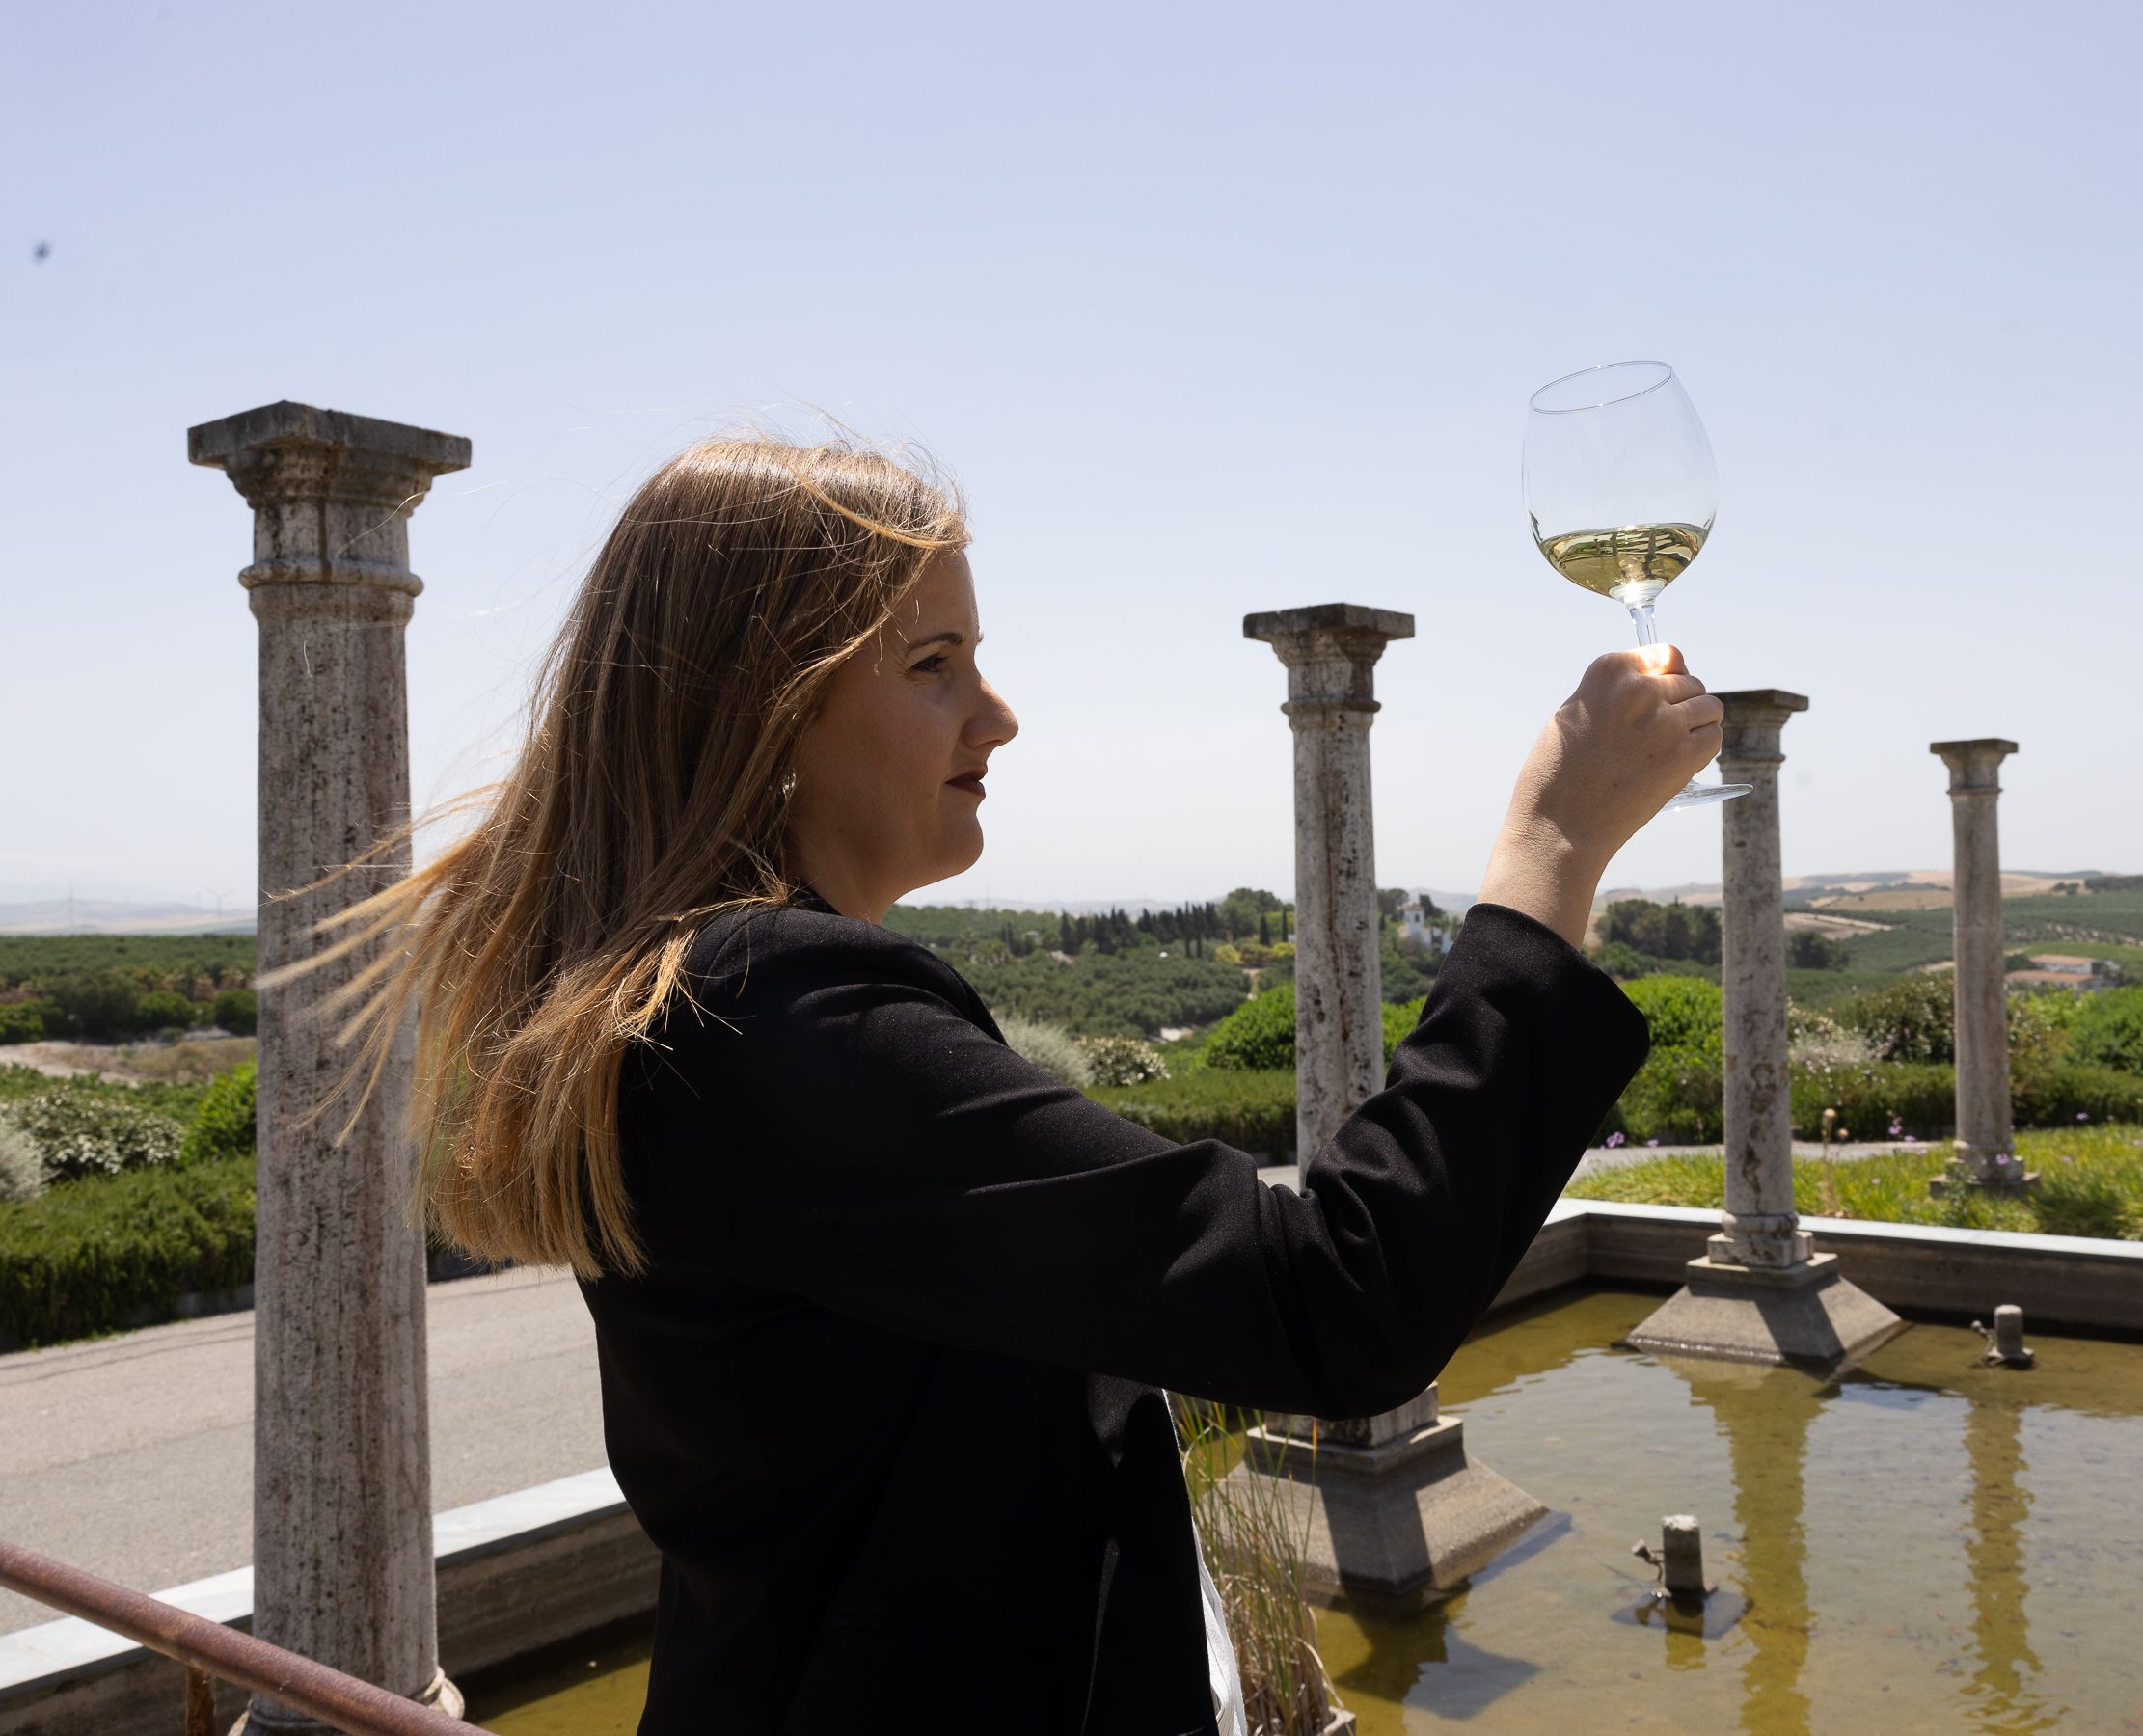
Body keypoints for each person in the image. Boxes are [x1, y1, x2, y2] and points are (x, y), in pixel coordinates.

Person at [302, 435, 1723, 1734]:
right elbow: (1334, 1297)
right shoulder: (777, 1026)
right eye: (933, 665)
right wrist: (1548, 856)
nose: (1000, 714)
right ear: (765, 714)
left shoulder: (706, 1017)